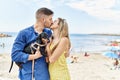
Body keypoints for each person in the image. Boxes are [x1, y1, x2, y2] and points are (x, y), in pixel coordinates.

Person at [11, 7, 53, 80]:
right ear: (43, 20)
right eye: (50, 19)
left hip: (44, 76)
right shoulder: (23, 33)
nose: (52, 21)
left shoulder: (49, 33)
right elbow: (15, 55)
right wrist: (34, 56)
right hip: (27, 76)